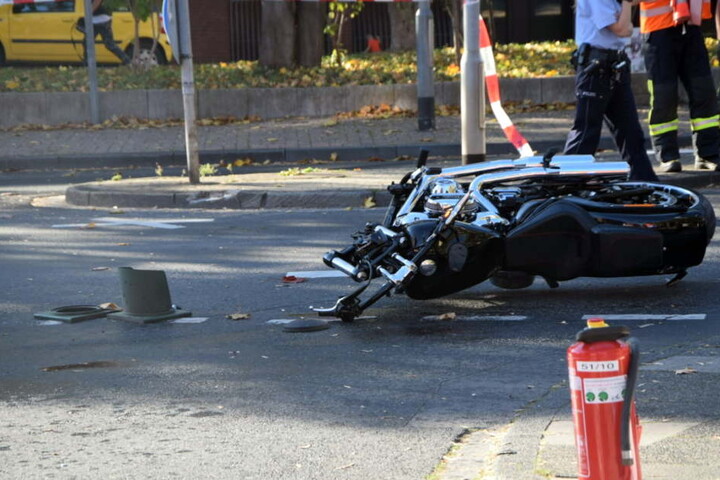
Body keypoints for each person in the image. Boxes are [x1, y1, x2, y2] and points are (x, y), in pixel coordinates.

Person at [564, 0, 659, 181]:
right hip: (595, 67)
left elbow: (628, 28)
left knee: (630, 132)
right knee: (586, 132)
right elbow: (623, 29)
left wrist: (625, 11)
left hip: (615, 67)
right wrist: (627, 3)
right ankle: (567, 185)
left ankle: (644, 183)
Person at [640, 0, 720, 172]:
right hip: (657, 30)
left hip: (691, 28)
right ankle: (667, 155)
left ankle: (708, 153)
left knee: (704, 93)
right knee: (664, 96)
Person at [82, 0, 131, 65]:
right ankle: (88, 64)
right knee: (88, 42)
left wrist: (89, 12)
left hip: (100, 20)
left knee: (109, 44)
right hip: (96, 20)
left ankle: (128, 61)